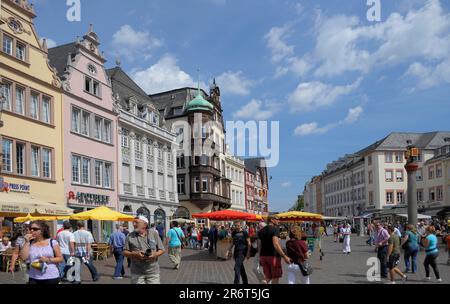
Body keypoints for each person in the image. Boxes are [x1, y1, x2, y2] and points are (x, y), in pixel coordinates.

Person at [123, 216, 165, 284]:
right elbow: (124, 252)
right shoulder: (129, 236)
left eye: (136, 222)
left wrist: (154, 254)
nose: (133, 224)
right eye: (133, 222)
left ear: (145, 224)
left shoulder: (153, 233)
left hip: (153, 271)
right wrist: (134, 254)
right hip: (137, 272)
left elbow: (162, 249)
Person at [258, 216, 292, 284]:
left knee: (268, 277)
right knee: (275, 277)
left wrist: (260, 257)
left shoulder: (261, 231)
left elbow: (259, 245)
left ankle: (265, 282)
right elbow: (275, 244)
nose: (278, 221)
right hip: (273, 256)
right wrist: (284, 256)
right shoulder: (274, 229)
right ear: (272, 220)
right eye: (277, 219)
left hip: (263, 256)